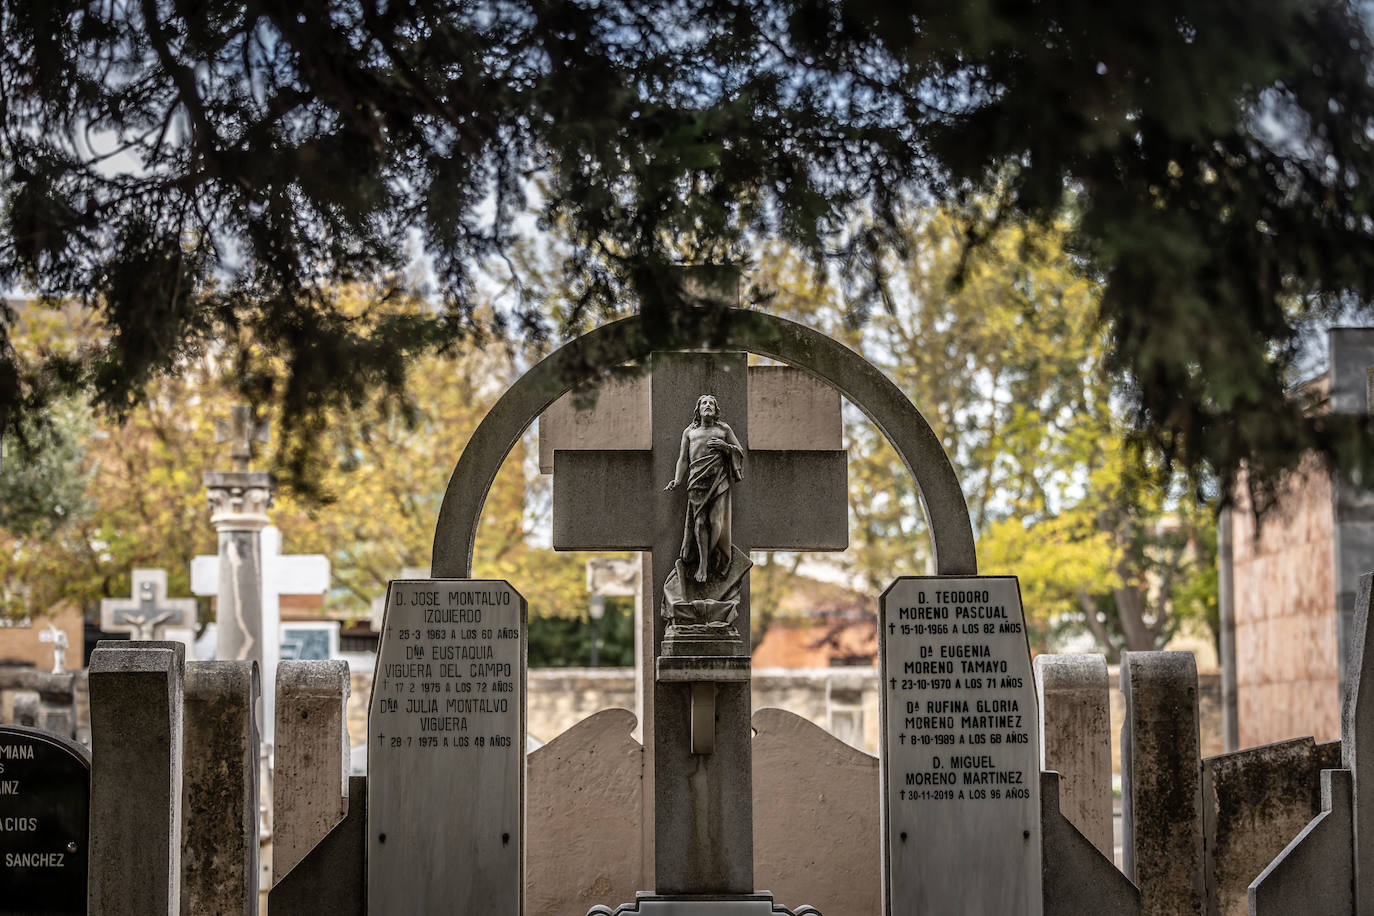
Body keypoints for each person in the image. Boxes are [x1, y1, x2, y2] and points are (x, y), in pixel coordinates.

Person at [664, 394, 745, 583]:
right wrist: (677, 480)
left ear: (716, 410)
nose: (707, 406)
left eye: (711, 404)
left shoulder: (723, 429)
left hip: (719, 481)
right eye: (704, 403)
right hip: (696, 483)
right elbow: (683, 459)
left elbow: (739, 450)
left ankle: (712, 559)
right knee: (699, 523)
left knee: (716, 521)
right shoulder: (689, 432)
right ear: (698, 410)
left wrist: (726, 447)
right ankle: (702, 565)